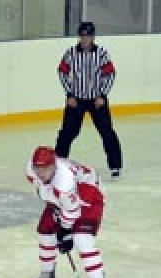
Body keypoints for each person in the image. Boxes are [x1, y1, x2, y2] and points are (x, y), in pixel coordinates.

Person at [24, 146, 113, 278]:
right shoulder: (31, 170)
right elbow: (45, 191)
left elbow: (72, 210)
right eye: (38, 168)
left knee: (82, 239)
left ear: (54, 166)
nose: (40, 173)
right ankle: (47, 276)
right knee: (45, 231)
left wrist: (65, 231)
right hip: (64, 198)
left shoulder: (64, 180)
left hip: (89, 195)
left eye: (45, 169)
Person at [54, 22, 124, 180]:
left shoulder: (101, 53)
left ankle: (115, 166)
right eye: (83, 36)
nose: (85, 39)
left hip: (96, 100)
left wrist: (102, 95)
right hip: (76, 100)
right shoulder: (71, 53)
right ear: (80, 37)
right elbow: (62, 71)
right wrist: (69, 94)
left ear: (93, 37)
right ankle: (58, 164)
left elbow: (111, 73)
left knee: (107, 132)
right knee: (67, 133)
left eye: (88, 36)